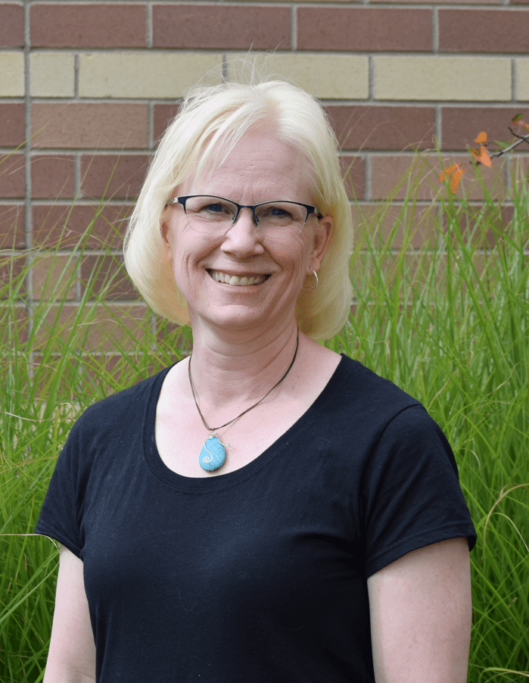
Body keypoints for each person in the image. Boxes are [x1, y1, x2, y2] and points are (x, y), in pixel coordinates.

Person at [35, 78, 477, 683]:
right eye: (213, 207)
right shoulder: (101, 438)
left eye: (276, 213)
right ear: (168, 230)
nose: (241, 241)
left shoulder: (390, 445)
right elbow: (71, 674)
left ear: (318, 241)